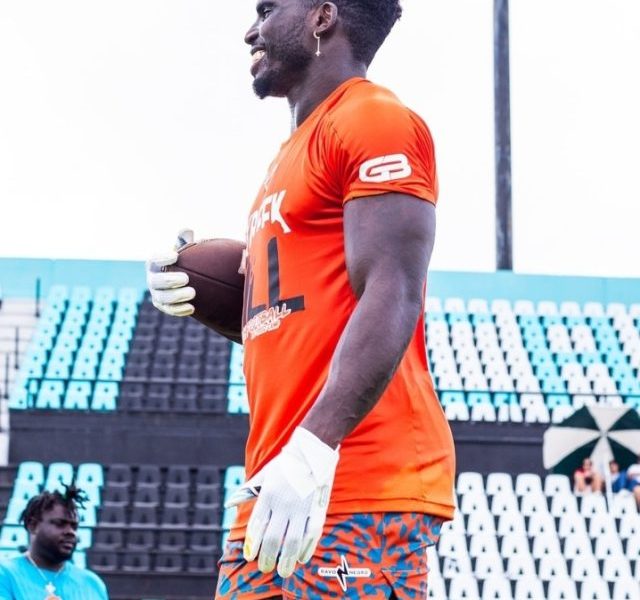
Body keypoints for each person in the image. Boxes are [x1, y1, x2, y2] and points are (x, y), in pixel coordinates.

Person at [146, 0, 455, 597]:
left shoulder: (376, 119)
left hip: (355, 477)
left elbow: (395, 290)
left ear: (321, 16)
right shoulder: (287, 158)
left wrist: (314, 447)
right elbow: (287, 319)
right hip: (274, 482)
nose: (250, 30)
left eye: (267, 8)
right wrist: (198, 289)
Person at [0, 485, 109, 600]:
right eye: (60, 524)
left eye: (74, 526)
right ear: (33, 526)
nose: (70, 532)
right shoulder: (5, 574)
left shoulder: (93, 584)